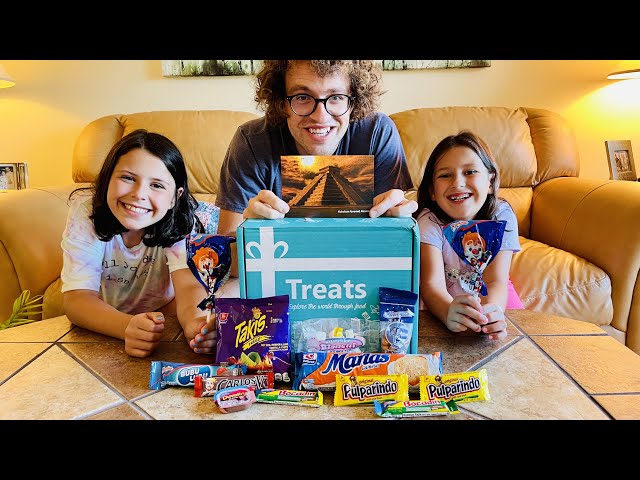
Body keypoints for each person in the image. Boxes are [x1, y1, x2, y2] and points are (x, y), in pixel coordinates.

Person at [215, 60, 417, 277]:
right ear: (281, 102)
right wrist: (250, 234)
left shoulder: (377, 133)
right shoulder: (252, 142)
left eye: (336, 97)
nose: (320, 116)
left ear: (354, 101)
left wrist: (400, 226)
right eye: (302, 97)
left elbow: (395, 259)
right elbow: (225, 266)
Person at [60, 129, 217, 358]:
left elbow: (187, 286)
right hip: (105, 316)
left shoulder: (182, 223)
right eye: (128, 178)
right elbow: (77, 299)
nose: (138, 194)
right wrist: (127, 326)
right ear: (107, 180)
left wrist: (196, 324)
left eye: (157, 185)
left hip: (166, 313)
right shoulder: (86, 213)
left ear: (175, 197)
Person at [413, 130, 524, 341]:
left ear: (490, 182)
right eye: (445, 175)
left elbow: (496, 280)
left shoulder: (502, 215)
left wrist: (491, 314)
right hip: (443, 305)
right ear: (432, 192)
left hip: (495, 299)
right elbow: (431, 285)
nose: (457, 183)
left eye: (470, 172)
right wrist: (447, 312)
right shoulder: (428, 221)